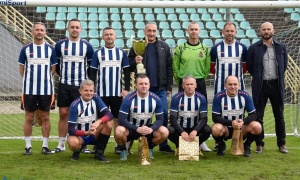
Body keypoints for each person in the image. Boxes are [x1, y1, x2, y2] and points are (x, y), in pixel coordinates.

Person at [128, 22, 174, 153]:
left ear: (157, 32)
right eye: (149, 31)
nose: (152, 33)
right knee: (137, 116)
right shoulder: (138, 46)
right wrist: (134, 61)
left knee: (164, 114)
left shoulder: (164, 46)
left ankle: (162, 145)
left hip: (160, 89)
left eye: (154, 31)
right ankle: (130, 144)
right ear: (145, 32)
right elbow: (129, 65)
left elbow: (169, 68)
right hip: (142, 91)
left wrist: (168, 86)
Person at [246, 22, 288, 154]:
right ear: (260, 31)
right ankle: (259, 143)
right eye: (264, 29)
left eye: (268, 29)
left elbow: (284, 66)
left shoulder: (281, 47)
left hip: (276, 85)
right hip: (261, 86)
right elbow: (250, 67)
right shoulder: (253, 48)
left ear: (273, 31)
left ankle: (281, 144)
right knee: (258, 116)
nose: (266, 31)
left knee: (279, 115)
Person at [55, 19, 94, 153]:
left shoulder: (87, 46)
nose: (75, 29)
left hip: (80, 86)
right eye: (72, 27)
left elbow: (90, 67)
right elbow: (57, 65)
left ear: (81, 29)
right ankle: (61, 144)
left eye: (77, 27)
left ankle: (84, 144)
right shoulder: (60, 45)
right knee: (63, 114)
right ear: (68, 29)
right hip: (64, 84)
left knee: (82, 115)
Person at [89, 27, 130, 154]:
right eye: (106, 35)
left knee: (118, 119)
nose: (109, 37)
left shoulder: (121, 52)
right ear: (102, 37)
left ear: (115, 36)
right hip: (101, 94)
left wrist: (127, 89)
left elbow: (127, 71)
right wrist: (92, 89)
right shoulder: (98, 53)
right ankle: (98, 145)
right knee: (102, 121)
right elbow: (93, 72)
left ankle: (119, 146)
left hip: (117, 93)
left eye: (111, 34)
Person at [18, 22, 57, 155]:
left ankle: (45, 146)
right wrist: (31, 80)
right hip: (29, 90)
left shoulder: (51, 49)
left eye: (42, 30)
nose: (39, 32)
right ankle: (28, 146)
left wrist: (44, 79)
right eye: (37, 30)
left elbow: (53, 69)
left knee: (45, 117)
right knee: (29, 117)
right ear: (32, 32)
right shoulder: (25, 49)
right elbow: (22, 69)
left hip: (46, 90)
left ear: (45, 33)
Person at [172, 21, 211, 152]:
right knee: (180, 112)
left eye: (196, 29)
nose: (194, 32)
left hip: (199, 81)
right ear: (187, 31)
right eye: (191, 29)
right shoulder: (180, 48)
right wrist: (181, 80)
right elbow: (175, 67)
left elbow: (207, 68)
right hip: (184, 82)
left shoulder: (205, 49)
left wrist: (199, 79)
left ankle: (200, 141)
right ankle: (181, 140)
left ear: (199, 31)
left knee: (201, 113)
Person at [210, 22, 248, 151]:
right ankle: (218, 142)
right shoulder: (216, 48)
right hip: (220, 87)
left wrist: (233, 83)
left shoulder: (243, 47)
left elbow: (244, 67)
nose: (230, 33)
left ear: (236, 32)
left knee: (239, 111)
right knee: (219, 113)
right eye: (227, 31)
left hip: (237, 88)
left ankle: (239, 139)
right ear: (223, 32)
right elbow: (212, 67)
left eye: (232, 31)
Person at [114, 74, 169, 160]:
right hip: (132, 129)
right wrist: (136, 128)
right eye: (141, 84)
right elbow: (121, 120)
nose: (144, 86)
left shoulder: (156, 99)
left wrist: (152, 128)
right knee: (118, 131)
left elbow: (160, 119)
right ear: (136, 85)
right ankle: (123, 150)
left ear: (149, 85)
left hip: (147, 129)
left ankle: (149, 148)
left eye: (146, 84)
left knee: (164, 131)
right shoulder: (128, 99)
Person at [211, 76, 262, 157]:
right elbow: (215, 117)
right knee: (215, 128)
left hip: (241, 128)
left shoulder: (245, 96)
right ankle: (221, 145)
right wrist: (231, 123)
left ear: (239, 85)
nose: (233, 87)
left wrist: (243, 121)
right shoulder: (218, 97)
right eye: (230, 84)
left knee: (257, 126)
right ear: (225, 85)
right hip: (226, 128)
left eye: (235, 84)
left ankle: (247, 145)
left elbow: (253, 114)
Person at [67, 79, 114, 161]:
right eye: (86, 90)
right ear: (80, 91)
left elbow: (109, 114)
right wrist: (86, 133)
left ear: (94, 91)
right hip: (80, 136)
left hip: (94, 133)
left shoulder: (95, 98)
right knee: (73, 143)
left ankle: (99, 153)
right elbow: (71, 130)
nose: (89, 93)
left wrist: (98, 121)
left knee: (108, 124)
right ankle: (77, 150)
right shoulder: (75, 105)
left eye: (91, 90)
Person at [168, 75, 211, 154]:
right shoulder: (176, 98)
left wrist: (195, 131)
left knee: (207, 129)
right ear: (183, 86)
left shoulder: (201, 98)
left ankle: (196, 145)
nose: (189, 87)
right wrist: (181, 131)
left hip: (194, 129)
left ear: (196, 85)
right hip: (180, 129)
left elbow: (204, 118)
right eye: (187, 84)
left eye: (191, 84)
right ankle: (179, 146)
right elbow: (173, 118)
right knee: (169, 130)